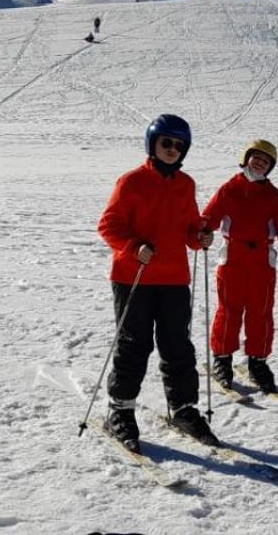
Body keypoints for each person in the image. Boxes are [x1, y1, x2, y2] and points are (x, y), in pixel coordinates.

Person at [96, 114, 214, 449]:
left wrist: (199, 237)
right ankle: (119, 409)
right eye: (166, 143)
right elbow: (109, 225)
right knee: (134, 345)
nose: (172, 149)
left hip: (175, 277)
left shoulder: (185, 184)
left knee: (177, 344)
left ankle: (182, 407)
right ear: (153, 144)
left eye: (179, 145)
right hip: (134, 275)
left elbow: (190, 228)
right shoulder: (131, 181)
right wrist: (135, 247)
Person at [200, 140, 278, 395]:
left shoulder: (272, 194)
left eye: (265, 161)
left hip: (261, 258)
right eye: (256, 158)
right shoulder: (230, 188)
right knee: (229, 309)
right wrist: (202, 230)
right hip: (233, 255)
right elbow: (210, 216)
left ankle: (258, 362)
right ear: (246, 159)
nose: (259, 163)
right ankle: (222, 359)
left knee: (261, 311)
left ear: (270, 167)